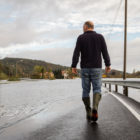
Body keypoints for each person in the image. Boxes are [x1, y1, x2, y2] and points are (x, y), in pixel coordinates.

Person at [71, 21, 111, 122]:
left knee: (85, 90)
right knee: (97, 89)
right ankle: (95, 108)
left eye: (82, 26)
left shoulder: (81, 38)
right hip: (97, 68)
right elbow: (105, 52)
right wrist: (108, 64)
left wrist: (73, 65)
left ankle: (88, 112)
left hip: (84, 68)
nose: (82, 28)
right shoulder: (100, 37)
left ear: (86, 27)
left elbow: (76, 52)